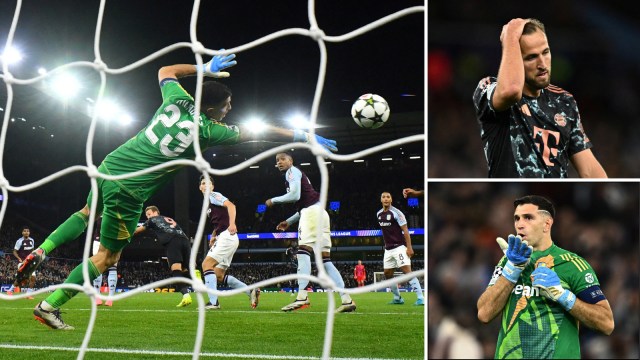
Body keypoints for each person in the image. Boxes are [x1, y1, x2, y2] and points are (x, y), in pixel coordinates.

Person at [14, 52, 338, 330]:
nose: (229, 110)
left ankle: (42, 249)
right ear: (213, 111)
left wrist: (205, 66)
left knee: (86, 213)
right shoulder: (210, 130)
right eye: (227, 106)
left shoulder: (177, 98)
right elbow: (260, 131)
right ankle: (49, 306)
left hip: (110, 165)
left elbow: (164, 71)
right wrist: (299, 134)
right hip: (130, 191)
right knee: (107, 256)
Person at [477, 195, 614, 358]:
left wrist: (563, 296)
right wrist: (511, 271)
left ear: (547, 224)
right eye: (516, 218)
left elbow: (607, 323)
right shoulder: (508, 260)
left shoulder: (572, 265)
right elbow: (484, 313)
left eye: (528, 218)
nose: (520, 224)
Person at [472, 18, 607, 178]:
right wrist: (510, 36)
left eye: (545, 52)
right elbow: (511, 91)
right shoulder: (487, 88)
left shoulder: (564, 101)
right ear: (514, 58)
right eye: (531, 57)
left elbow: (590, 169)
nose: (542, 64)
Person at [265, 152, 356, 313]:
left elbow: (295, 195)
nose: (279, 162)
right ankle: (346, 299)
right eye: (277, 160)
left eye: (283, 159)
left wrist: (274, 200)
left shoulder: (292, 172)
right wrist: (289, 221)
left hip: (312, 214)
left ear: (291, 161)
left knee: (303, 251)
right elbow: (306, 202)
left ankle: (302, 296)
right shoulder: (298, 175)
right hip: (320, 213)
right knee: (325, 260)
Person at [199, 175, 260, 310]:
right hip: (226, 237)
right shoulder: (208, 203)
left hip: (227, 236)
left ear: (212, 187)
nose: (206, 186)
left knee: (206, 264)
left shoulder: (213, 195)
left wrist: (232, 224)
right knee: (219, 275)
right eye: (203, 183)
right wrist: (214, 235)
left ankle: (214, 302)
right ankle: (251, 291)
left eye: (208, 183)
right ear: (200, 187)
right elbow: (218, 222)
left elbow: (231, 205)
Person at [134, 206, 193, 307]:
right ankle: (201, 285)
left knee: (176, 269)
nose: (148, 217)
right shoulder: (168, 218)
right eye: (147, 215)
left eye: (149, 214)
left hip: (172, 242)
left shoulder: (153, 219)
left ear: (156, 212)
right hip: (185, 240)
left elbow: (137, 231)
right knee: (187, 268)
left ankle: (186, 296)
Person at [377, 192, 424, 306]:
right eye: (384, 197)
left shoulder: (397, 213)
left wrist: (409, 247)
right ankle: (397, 298)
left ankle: (421, 298)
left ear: (391, 199)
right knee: (387, 273)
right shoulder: (378, 214)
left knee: (407, 272)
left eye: (388, 197)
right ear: (381, 200)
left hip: (399, 247)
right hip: (388, 249)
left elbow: (406, 230)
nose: (386, 199)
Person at [92, 217, 118, 307]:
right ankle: (104, 298)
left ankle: (103, 298)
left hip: (104, 240)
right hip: (107, 240)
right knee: (109, 267)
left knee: (106, 267)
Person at [7, 226, 36, 299]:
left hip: (31, 262)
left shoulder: (32, 240)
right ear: (22, 233)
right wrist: (19, 258)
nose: (26, 232)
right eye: (25, 231)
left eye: (28, 231)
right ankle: (10, 290)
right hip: (22, 262)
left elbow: (32, 250)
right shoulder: (19, 241)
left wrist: (34, 256)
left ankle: (28, 294)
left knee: (33, 278)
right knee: (21, 279)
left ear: (29, 233)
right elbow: (14, 251)